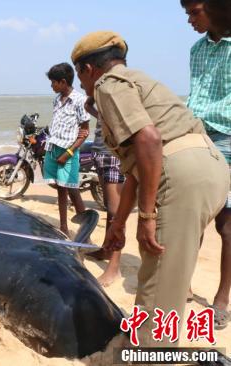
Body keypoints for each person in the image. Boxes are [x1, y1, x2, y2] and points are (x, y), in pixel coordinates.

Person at [71, 31, 228, 347]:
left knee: (156, 288)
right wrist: (117, 224)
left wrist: (146, 216)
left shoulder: (107, 84)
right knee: (168, 279)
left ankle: (149, 351)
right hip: (210, 168)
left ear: (89, 69)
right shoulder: (137, 80)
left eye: (79, 77)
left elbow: (149, 141)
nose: (82, 86)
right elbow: (137, 169)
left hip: (181, 174)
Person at [182, 0, 231, 330]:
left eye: (193, 12)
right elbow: (194, 97)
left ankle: (222, 298)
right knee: (190, 219)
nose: (189, 19)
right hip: (196, 136)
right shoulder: (197, 49)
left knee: (227, 224)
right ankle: (181, 284)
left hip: (228, 138)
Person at [44, 63, 89, 236]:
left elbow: (84, 131)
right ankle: (63, 227)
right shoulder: (57, 99)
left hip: (68, 151)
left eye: (53, 82)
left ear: (63, 82)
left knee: (72, 189)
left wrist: (68, 153)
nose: (51, 86)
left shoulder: (80, 100)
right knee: (60, 188)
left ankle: (86, 234)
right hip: (54, 148)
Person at [83, 98, 125, 287]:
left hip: (115, 154)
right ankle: (106, 250)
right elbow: (87, 104)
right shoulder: (100, 88)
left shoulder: (118, 88)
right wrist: (100, 115)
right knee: (109, 208)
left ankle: (114, 267)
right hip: (99, 150)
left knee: (117, 213)